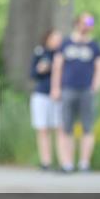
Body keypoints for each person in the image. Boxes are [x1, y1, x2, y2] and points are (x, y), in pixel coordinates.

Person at [50, 13, 100, 172]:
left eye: (90, 23)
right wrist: (55, 87)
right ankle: (67, 163)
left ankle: (84, 163)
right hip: (68, 89)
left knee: (87, 127)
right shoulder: (66, 44)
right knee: (66, 127)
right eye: (85, 22)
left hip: (86, 90)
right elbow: (57, 66)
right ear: (77, 23)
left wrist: (96, 85)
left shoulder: (94, 46)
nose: (88, 26)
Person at [29, 29, 63, 171]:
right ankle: (46, 161)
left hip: (58, 96)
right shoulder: (40, 52)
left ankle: (63, 161)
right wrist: (41, 69)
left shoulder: (62, 54)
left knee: (59, 128)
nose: (57, 41)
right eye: (54, 38)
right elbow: (32, 73)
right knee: (43, 129)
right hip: (41, 94)